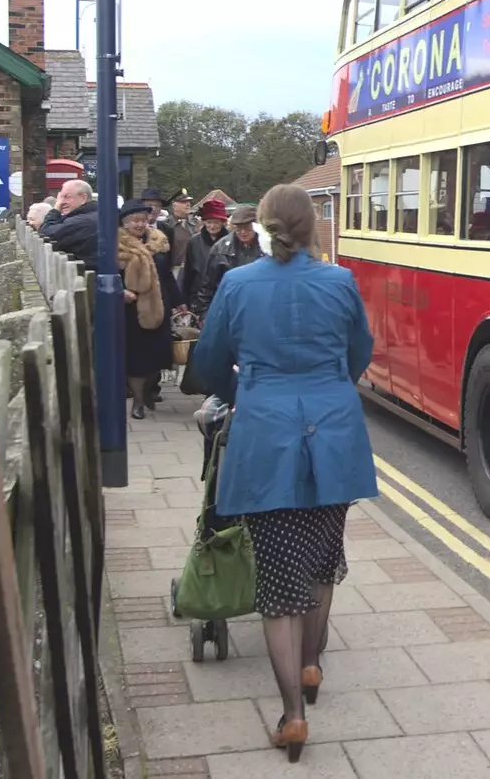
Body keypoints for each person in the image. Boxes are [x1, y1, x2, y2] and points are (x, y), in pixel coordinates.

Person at [193, 184, 376, 762]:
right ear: (313, 225)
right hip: (335, 430)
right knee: (323, 558)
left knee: (278, 584)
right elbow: (359, 354)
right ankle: (312, 666)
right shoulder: (339, 281)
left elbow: (206, 364)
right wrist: (326, 390)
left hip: (266, 432)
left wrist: (245, 390)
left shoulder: (238, 283)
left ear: (265, 225)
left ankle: (293, 716)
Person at [118, 201, 182, 419]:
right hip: (132, 309)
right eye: (134, 220)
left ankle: (147, 392)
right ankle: (137, 401)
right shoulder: (117, 245)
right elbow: (106, 275)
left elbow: (167, 276)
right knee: (136, 358)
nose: (139, 224)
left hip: (159, 305)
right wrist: (121, 292)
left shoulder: (159, 241)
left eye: (143, 220)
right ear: (125, 223)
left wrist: (179, 301)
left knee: (159, 355)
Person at [188, 204, 264, 318]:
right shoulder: (220, 249)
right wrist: (205, 314)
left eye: (248, 228)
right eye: (239, 228)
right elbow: (207, 286)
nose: (243, 232)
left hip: (260, 307)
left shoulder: (267, 247)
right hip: (229, 309)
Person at [41, 179, 101, 269]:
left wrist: (55, 209)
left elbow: (46, 233)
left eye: (67, 197)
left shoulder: (81, 221)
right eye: (60, 197)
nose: (61, 202)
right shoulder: (96, 214)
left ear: (83, 198)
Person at [180, 199, 230, 302]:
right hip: (198, 295)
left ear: (223, 222)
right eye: (209, 222)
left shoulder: (231, 241)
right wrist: (184, 299)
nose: (212, 226)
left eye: (216, 222)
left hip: (225, 293)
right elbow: (188, 272)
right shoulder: (194, 242)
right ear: (204, 222)